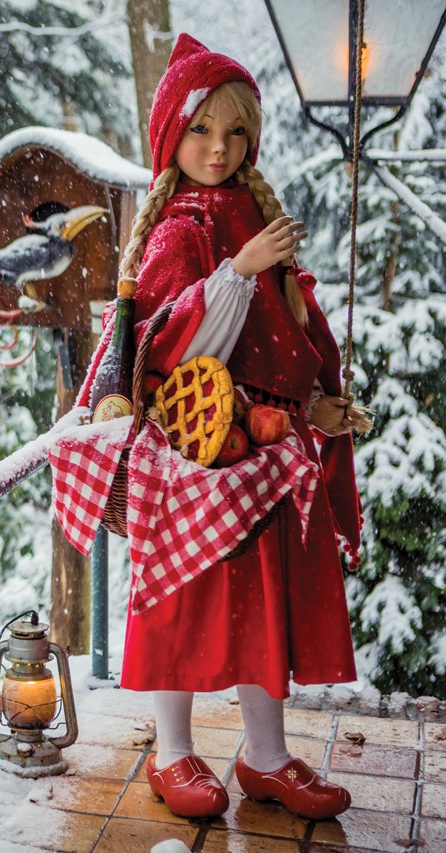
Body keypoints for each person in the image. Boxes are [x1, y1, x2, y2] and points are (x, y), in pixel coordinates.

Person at [84, 34, 364, 821]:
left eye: (236, 132)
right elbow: (168, 347)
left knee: (261, 607)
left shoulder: (248, 211)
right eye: (202, 130)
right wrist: (236, 272)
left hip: (259, 455)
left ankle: (264, 754)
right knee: (182, 600)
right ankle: (173, 751)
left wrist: (313, 406)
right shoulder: (176, 228)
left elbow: (275, 344)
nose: (220, 148)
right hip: (190, 459)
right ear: (173, 134)